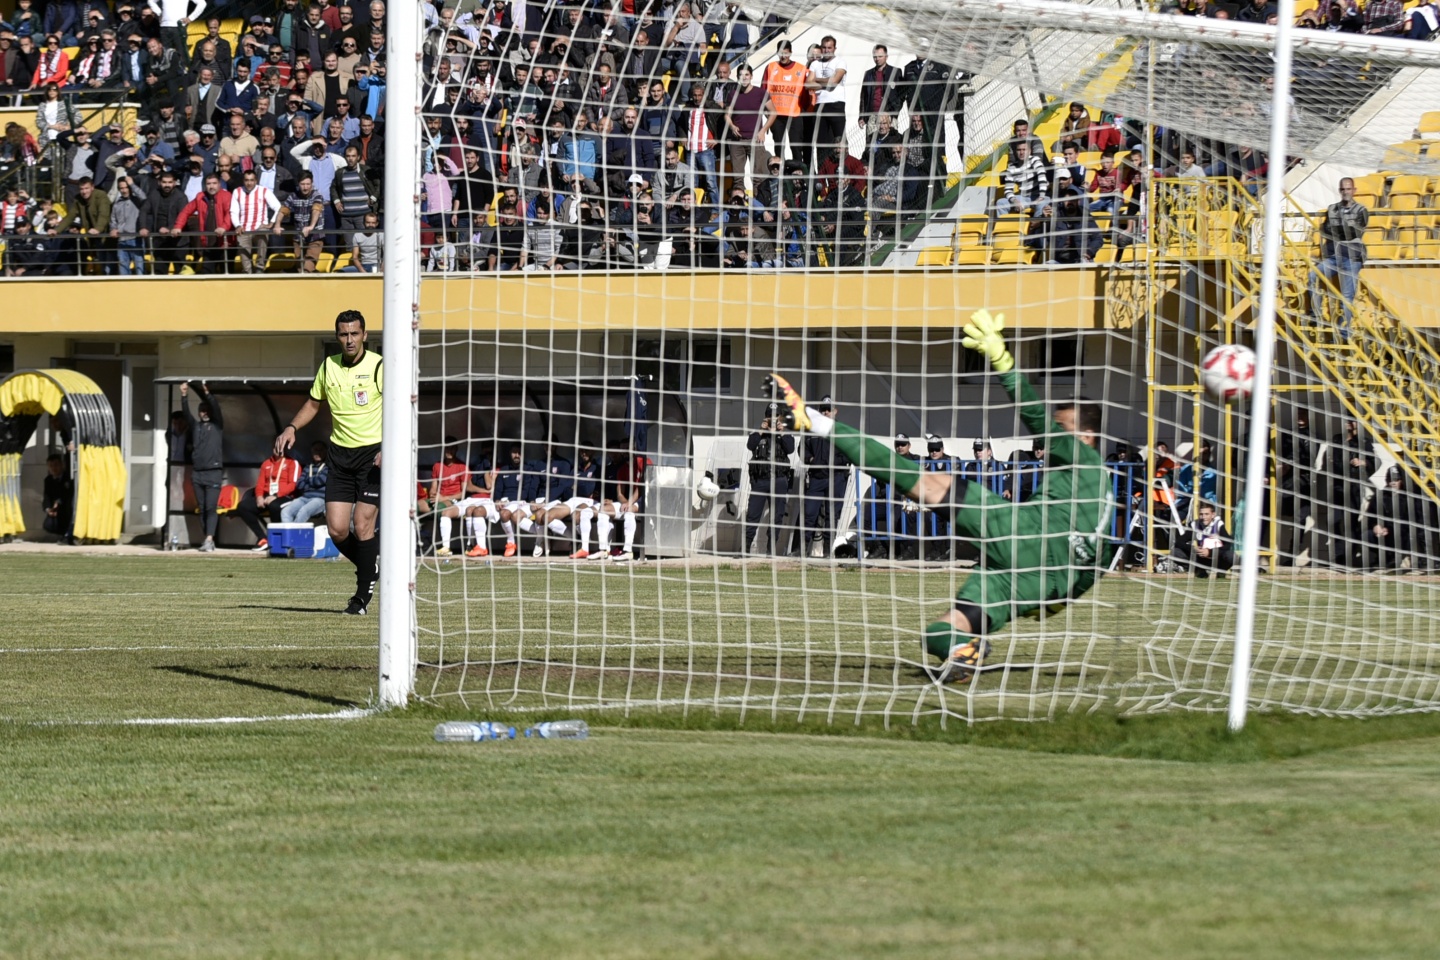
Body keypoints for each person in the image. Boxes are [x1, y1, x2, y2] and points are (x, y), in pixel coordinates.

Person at [767, 308, 1114, 683]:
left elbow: (1033, 414)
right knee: (939, 634)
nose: (1052, 437)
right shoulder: (1105, 497)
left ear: (1087, 436)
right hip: (1033, 582)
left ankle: (815, 420)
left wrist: (1002, 359)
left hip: (1026, 534)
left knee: (922, 482)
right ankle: (966, 651)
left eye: (1063, 428)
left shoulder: (1083, 456)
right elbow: (1096, 563)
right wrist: (1053, 601)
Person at [273, 310, 382, 615]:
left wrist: (389, 446)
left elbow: (399, 406)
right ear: (337, 337)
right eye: (344, 334)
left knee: (363, 524)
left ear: (364, 335)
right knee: (337, 530)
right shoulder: (328, 366)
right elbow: (312, 403)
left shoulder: (379, 366)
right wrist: (291, 427)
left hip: (373, 457)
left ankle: (360, 598)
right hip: (340, 456)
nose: (349, 340)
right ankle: (370, 566)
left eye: (354, 333)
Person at [1310, 177, 1368, 339]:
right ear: (1339, 191)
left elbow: (1356, 231)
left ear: (1354, 190)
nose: (1345, 192)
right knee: (1313, 276)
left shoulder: (1361, 210)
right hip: (1334, 256)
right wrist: (1343, 228)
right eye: (1343, 189)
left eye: (1348, 189)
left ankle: (1344, 331)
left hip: (1352, 257)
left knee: (1347, 296)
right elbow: (1325, 229)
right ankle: (1315, 313)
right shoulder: (1332, 208)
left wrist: (1338, 229)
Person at [800, 395, 850, 558]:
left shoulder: (843, 431)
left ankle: (828, 551)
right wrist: (811, 460)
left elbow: (850, 452)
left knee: (832, 516)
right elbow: (803, 449)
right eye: (823, 410)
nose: (826, 412)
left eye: (829, 409)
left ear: (835, 411)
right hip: (817, 478)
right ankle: (801, 550)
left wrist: (836, 462)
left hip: (836, 478)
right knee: (809, 514)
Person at [744, 401, 796, 556]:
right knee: (753, 514)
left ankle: (770, 548)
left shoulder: (785, 435)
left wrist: (781, 431)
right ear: (765, 417)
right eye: (769, 416)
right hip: (760, 481)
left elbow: (790, 449)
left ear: (780, 418)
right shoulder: (758, 434)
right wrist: (761, 430)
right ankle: (745, 548)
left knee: (777, 515)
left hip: (779, 480)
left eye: (775, 416)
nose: (772, 419)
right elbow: (750, 445)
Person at [1327, 417, 1375, 568]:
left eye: (1352, 421)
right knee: (1334, 521)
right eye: (1346, 420)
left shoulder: (1363, 442)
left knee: (1351, 522)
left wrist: (1363, 462)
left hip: (1354, 486)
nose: (1349, 423)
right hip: (1337, 486)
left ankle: (1350, 555)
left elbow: (1375, 462)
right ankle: (1338, 555)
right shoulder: (1337, 439)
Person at [184, 380, 223, 553]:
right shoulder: (195, 427)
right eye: (202, 410)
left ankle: (209, 539)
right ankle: (207, 539)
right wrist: (184, 395)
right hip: (197, 473)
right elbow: (186, 414)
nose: (205, 413)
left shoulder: (217, 425)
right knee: (202, 509)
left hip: (213, 473)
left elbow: (216, 408)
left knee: (210, 507)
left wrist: (207, 393)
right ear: (199, 413)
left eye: (207, 410)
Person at [236, 448, 302, 551]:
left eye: (281, 446)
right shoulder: (266, 463)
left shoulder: (292, 463)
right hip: (267, 496)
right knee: (243, 507)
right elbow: (260, 484)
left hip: (286, 496)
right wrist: (259, 497)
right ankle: (262, 538)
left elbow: (293, 485)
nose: (279, 449)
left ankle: (275, 540)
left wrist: (276, 495)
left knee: (274, 506)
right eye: (276, 447)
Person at [1170, 501, 1234, 578]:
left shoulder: (1218, 525)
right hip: (1200, 558)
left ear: (1213, 515)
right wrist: (1195, 549)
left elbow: (1228, 545)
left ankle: (1220, 571)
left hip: (1217, 559)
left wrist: (1210, 552)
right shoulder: (1195, 525)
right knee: (1175, 552)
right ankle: (1198, 570)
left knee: (1231, 555)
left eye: (1207, 514)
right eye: (1201, 514)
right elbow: (1179, 542)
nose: (1204, 517)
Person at [281, 441, 330, 524]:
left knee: (303, 511)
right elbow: (299, 484)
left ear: (326, 451)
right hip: (304, 497)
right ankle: (289, 532)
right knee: (285, 512)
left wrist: (307, 481)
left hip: (320, 499)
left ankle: (295, 532)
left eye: (320, 450)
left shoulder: (328, 467)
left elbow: (320, 480)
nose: (318, 452)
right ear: (311, 452)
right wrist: (313, 483)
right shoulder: (307, 467)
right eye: (315, 450)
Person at [41, 454, 74, 543]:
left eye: (56, 465)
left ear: (62, 465)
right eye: (51, 466)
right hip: (55, 510)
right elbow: (46, 497)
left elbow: (68, 494)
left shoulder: (69, 478)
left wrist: (58, 502)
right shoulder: (48, 480)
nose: (53, 468)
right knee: (48, 525)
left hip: (66, 508)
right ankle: (62, 534)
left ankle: (67, 534)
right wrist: (48, 509)